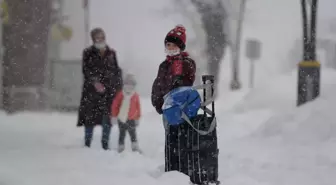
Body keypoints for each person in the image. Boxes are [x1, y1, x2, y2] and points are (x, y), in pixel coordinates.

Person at [151, 25, 196, 172]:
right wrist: (157, 101)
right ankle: (171, 170)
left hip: (182, 110)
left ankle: (182, 170)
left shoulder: (187, 63)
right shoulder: (164, 65)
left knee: (182, 140)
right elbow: (158, 83)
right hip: (167, 109)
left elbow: (187, 84)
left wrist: (179, 78)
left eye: (173, 45)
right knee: (170, 139)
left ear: (180, 46)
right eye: (168, 45)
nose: (170, 47)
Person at [77, 27, 122, 150]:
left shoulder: (111, 53)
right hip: (91, 92)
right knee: (89, 118)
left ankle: (105, 144)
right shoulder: (88, 52)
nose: (100, 39)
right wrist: (95, 82)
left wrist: (118, 87)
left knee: (107, 119)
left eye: (102, 37)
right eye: (97, 37)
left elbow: (117, 71)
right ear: (93, 39)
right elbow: (86, 70)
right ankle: (87, 143)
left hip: (109, 92)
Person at [111, 74, 142, 153]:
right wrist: (114, 116)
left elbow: (138, 107)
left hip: (132, 118)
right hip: (121, 118)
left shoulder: (135, 95)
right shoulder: (120, 94)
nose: (129, 86)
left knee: (133, 134)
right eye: (127, 84)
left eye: (131, 84)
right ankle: (121, 147)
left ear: (134, 85)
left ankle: (135, 147)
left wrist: (138, 117)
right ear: (124, 85)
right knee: (122, 133)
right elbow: (115, 105)